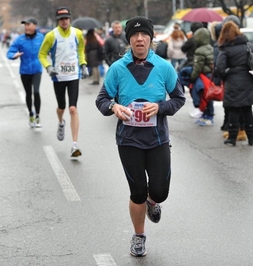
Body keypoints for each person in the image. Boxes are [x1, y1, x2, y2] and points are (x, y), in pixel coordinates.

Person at [95, 16, 185, 257]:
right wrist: (114, 107)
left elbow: (179, 98)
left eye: (144, 34)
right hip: (129, 141)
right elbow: (101, 100)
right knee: (136, 192)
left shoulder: (164, 67)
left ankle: (152, 201)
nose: (139, 38)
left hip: (157, 140)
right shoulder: (117, 69)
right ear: (129, 40)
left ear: (151, 38)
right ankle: (139, 236)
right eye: (134, 35)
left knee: (160, 191)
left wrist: (160, 107)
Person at [38, 6, 89, 158]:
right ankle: (61, 123)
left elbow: (80, 51)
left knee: (73, 108)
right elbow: (41, 54)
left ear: (70, 19)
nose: (64, 21)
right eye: (61, 19)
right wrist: (48, 67)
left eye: (66, 18)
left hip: (73, 75)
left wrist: (83, 64)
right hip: (58, 76)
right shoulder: (51, 36)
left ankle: (74, 145)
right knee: (62, 107)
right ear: (57, 21)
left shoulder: (77, 33)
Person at [216, 21, 253, 146]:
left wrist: (226, 75)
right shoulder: (248, 46)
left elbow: (220, 68)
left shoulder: (225, 48)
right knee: (247, 109)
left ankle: (232, 137)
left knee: (234, 110)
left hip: (233, 82)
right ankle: (251, 138)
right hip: (248, 80)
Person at [7, 18, 45, 128]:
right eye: (25, 25)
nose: (26, 27)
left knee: (36, 92)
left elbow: (49, 48)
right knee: (28, 93)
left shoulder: (40, 38)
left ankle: (37, 116)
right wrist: (13, 55)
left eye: (28, 24)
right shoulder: (20, 39)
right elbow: (10, 51)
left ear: (35, 26)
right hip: (25, 71)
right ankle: (31, 114)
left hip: (37, 70)